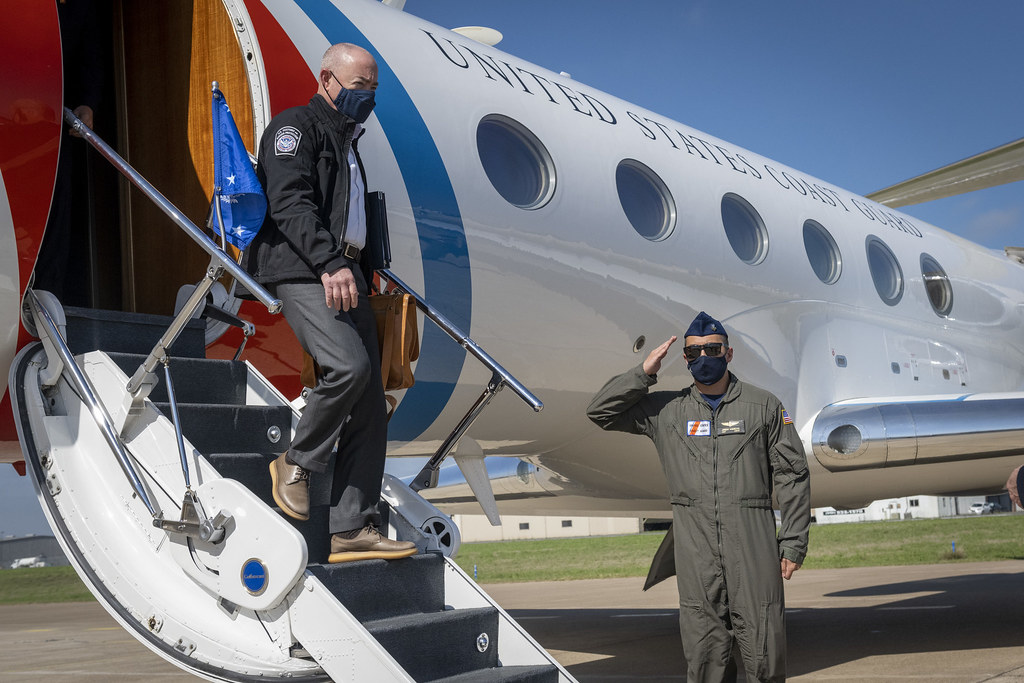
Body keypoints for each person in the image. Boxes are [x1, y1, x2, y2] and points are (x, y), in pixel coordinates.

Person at [243, 43, 415, 563]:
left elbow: (349, 217)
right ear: (328, 79)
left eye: (374, 88)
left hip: (346, 277)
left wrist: (361, 271)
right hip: (305, 270)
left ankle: (350, 528)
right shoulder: (297, 128)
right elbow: (290, 201)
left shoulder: (348, 142)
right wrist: (328, 262)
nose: (370, 96)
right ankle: (295, 462)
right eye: (361, 86)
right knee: (347, 368)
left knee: (370, 402)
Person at [587, 312, 810, 682]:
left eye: (712, 348)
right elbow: (600, 411)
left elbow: (793, 473)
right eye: (693, 352)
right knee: (705, 656)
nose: (703, 357)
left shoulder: (764, 407)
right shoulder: (667, 411)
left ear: (729, 353)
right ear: (686, 360)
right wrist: (644, 373)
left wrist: (793, 542)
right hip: (696, 551)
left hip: (752, 546)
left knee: (765, 655)